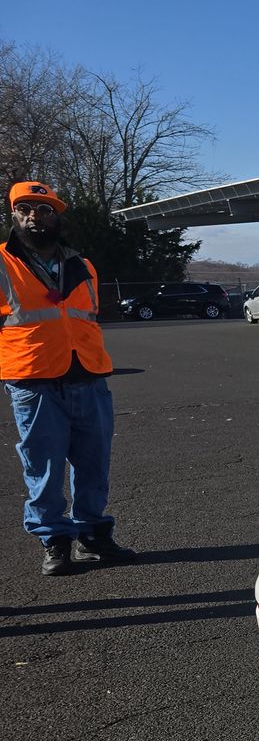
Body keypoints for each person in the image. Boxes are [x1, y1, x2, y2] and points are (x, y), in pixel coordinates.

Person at [2, 180, 134, 576]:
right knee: (44, 467)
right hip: (34, 380)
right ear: (13, 214)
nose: (34, 216)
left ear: (56, 215)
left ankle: (93, 535)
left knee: (94, 464)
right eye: (25, 208)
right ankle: (55, 542)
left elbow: (85, 319)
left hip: (88, 377)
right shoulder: (4, 263)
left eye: (43, 209)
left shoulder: (83, 265)